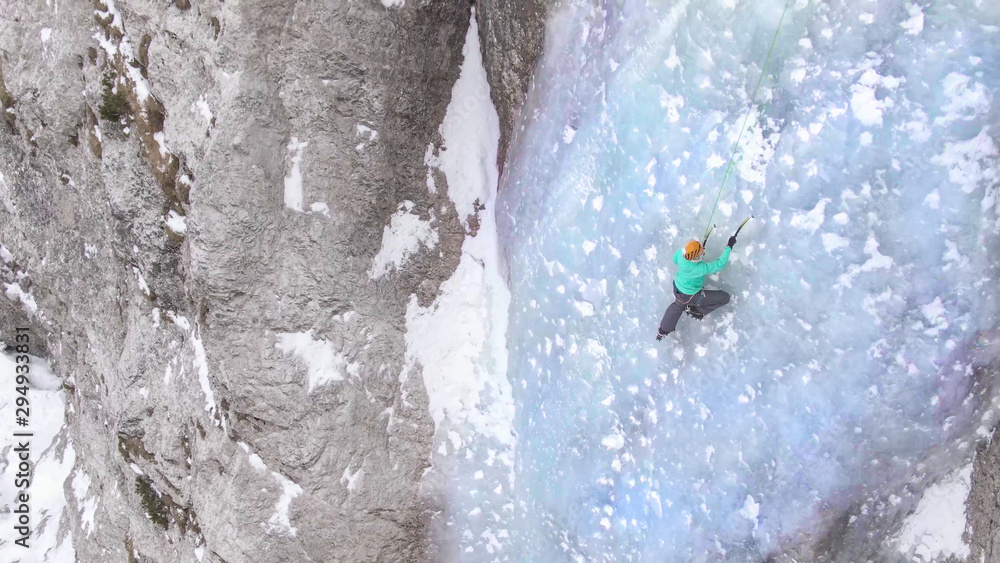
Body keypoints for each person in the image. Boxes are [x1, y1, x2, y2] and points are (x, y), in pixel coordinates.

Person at [656, 235, 738, 340]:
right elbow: (719, 264)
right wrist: (729, 246)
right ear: (696, 259)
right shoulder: (700, 268)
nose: (703, 251)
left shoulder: (680, 254)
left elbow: (675, 260)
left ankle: (663, 329)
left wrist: (698, 250)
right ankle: (696, 310)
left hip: (677, 287)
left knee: (677, 306)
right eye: (700, 252)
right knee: (725, 298)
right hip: (689, 296)